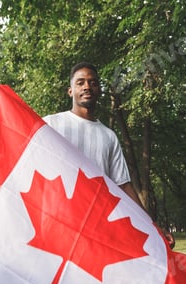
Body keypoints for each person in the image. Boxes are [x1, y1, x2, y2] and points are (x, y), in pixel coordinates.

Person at [44, 62, 175, 249]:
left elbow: (123, 186)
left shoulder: (108, 136)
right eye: (80, 83)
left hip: (96, 225)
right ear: (70, 91)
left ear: (99, 90)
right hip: (58, 220)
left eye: (92, 82)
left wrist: (152, 226)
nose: (87, 86)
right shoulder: (51, 124)